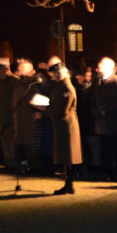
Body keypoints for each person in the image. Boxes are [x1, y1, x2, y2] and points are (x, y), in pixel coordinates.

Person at [45, 57, 83, 195]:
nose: (56, 75)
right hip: (62, 124)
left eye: (59, 72)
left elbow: (63, 110)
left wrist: (44, 110)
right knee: (65, 156)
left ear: (65, 72)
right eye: (55, 73)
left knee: (69, 155)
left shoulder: (67, 87)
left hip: (67, 125)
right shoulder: (59, 86)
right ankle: (68, 183)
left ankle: (69, 183)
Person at [94, 57, 117, 178]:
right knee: (104, 148)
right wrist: (97, 111)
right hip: (102, 121)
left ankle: (116, 171)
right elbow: (95, 98)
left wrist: (105, 111)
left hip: (113, 121)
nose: (99, 65)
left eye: (102, 63)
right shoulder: (99, 81)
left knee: (114, 148)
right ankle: (106, 170)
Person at [0, 58, 19, 171]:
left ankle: (14, 164)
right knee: (4, 140)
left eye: (1, 69)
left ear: (7, 68)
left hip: (10, 116)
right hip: (0, 116)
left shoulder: (13, 81)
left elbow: (17, 99)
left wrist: (13, 115)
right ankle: (8, 163)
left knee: (11, 141)